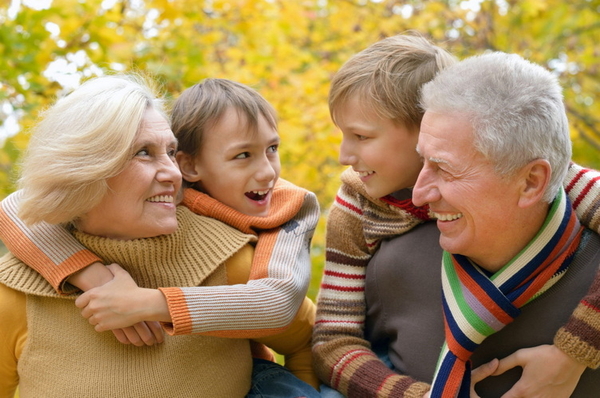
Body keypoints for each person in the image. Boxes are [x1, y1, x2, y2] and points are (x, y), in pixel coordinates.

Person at [313, 32, 600, 397]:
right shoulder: (356, 209)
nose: (344, 155)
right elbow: (332, 338)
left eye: (361, 136)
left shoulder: (552, 175)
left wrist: (573, 352)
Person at [0, 78, 321, 395]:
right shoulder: (13, 298)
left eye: (171, 152)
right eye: (143, 152)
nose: (173, 172)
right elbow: (15, 205)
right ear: (83, 171)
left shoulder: (233, 262)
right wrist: (92, 277)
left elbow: (308, 339)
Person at [410, 51, 600, 396]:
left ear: (530, 182)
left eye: (444, 168)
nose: (418, 195)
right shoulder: (390, 266)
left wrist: (577, 350)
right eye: (421, 161)